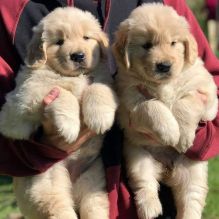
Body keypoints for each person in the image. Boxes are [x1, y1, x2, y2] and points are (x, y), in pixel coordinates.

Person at [0, 0, 219, 218]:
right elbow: (12, 120)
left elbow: (211, 89)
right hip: (56, 189)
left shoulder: (165, 6)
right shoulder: (13, 9)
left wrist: (193, 129)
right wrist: (47, 146)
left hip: (157, 203)